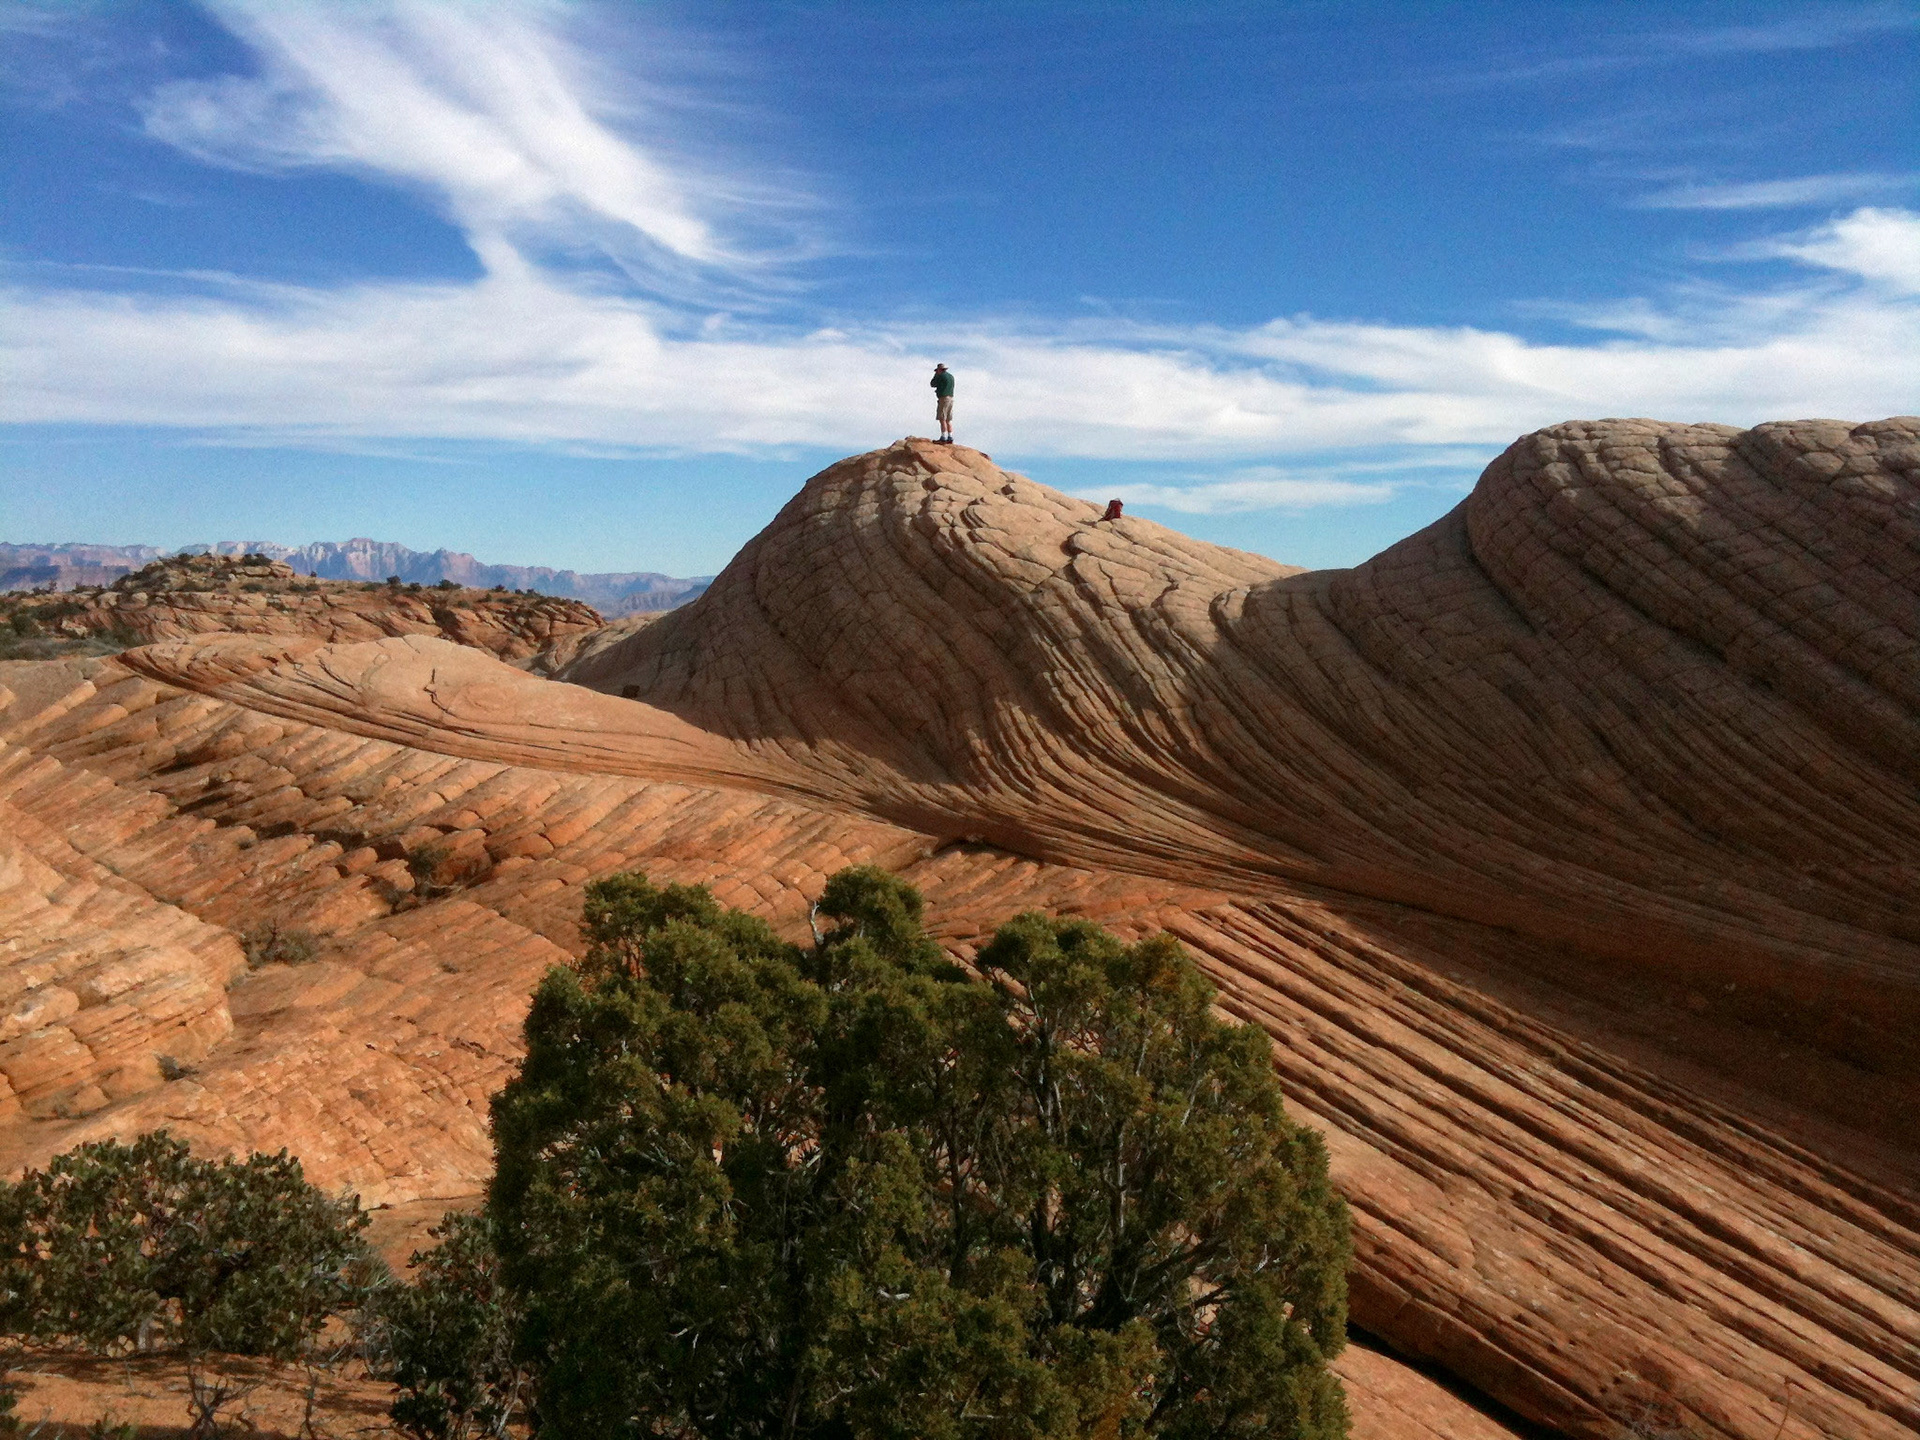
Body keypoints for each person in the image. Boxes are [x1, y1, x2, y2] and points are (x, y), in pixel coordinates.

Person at [930, 363, 955, 443]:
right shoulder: (951, 376)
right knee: (948, 419)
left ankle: (943, 437)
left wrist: (936, 375)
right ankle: (950, 437)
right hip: (951, 398)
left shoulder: (940, 376)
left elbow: (932, 384)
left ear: (940, 370)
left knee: (942, 418)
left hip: (943, 398)